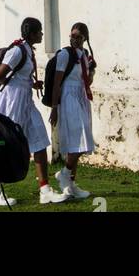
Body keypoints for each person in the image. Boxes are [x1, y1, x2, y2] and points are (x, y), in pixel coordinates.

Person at [0, 16, 66, 205]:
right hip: (13, 103)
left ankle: (45, 189)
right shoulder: (17, 50)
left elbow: (18, 74)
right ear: (32, 33)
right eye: (40, 31)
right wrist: (14, 89)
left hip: (26, 102)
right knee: (6, 144)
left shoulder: (27, 50)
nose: (42, 34)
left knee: (40, 139)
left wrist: (30, 84)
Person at [49, 22, 96, 200]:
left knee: (79, 141)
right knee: (80, 139)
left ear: (85, 38)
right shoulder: (64, 54)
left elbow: (87, 81)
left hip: (81, 96)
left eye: (78, 37)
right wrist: (54, 107)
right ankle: (65, 173)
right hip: (68, 97)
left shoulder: (84, 55)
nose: (74, 39)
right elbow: (57, 82)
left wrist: (91, 72)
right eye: (72, 36)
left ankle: (69, 186)